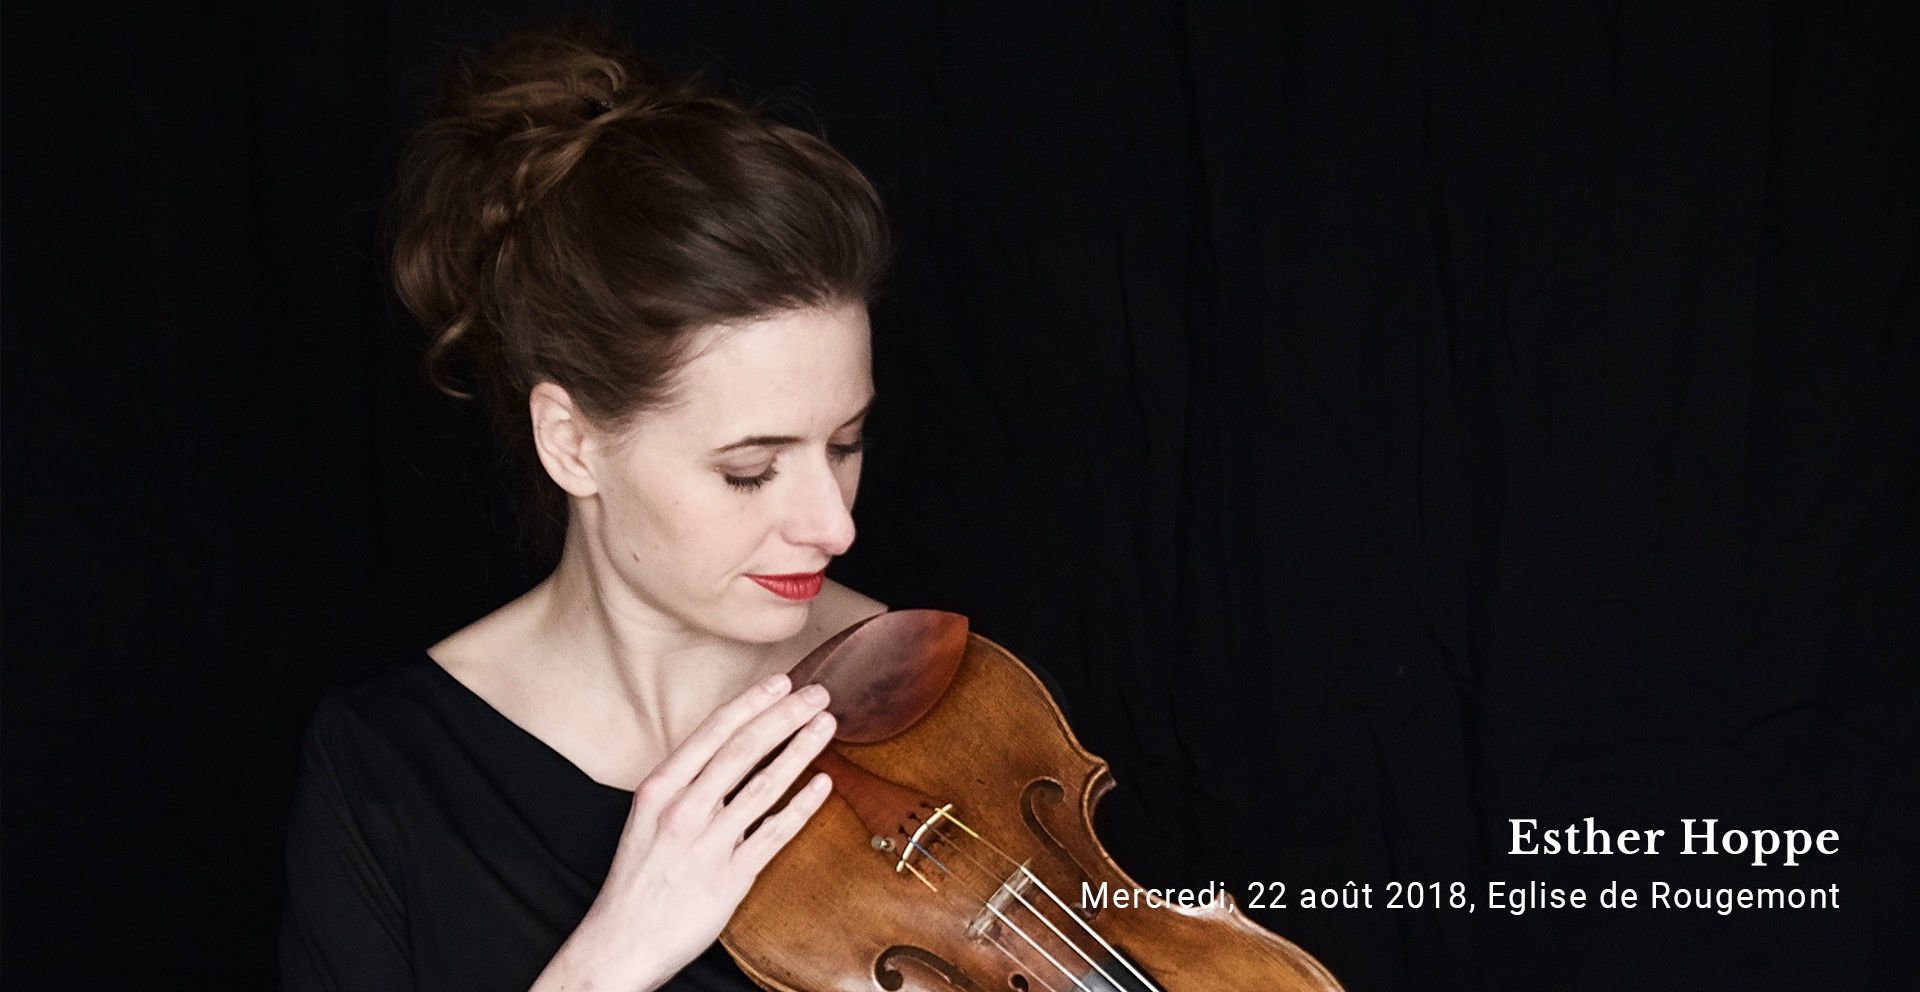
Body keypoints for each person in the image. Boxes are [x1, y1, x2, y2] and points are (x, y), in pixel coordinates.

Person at [279, 21, 892, 991]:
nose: (834, 525)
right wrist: (615, 956)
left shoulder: (934, 697)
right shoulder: (388, 770)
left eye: (845, 444)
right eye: (749, 469)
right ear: (571, 441)